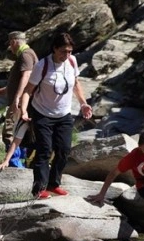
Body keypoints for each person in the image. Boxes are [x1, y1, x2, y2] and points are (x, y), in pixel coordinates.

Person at [19, 32, 92, 199]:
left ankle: (54, 184)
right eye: (63, 51)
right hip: (43, 113)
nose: (66, 55)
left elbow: (76, 84)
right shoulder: (42, 66)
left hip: (64, 113)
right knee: (44, 150)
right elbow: (28, 91)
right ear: (54, 49)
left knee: (64, 150)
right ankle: (39, 189)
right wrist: (23, 110)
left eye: (69, 51)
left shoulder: (72, 61)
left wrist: (83, 103)